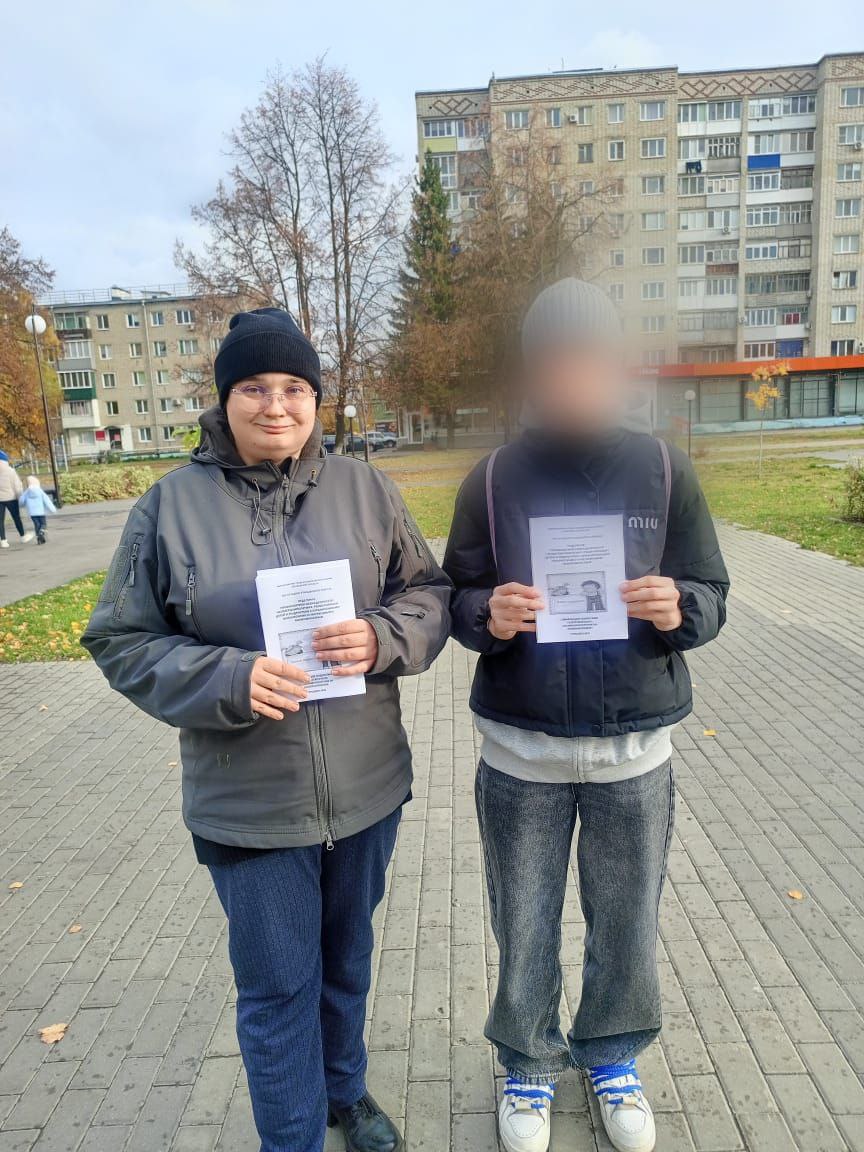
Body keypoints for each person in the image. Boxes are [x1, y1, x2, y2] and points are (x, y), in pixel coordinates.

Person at [82, 308, 451, 1152]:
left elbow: (429, 595)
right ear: (225, 399)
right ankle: (293, 1139)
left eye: (294, 388)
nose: (276, 405)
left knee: (346, 963)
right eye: (254, 387)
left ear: (317, 400)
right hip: (248, 805)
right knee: (278, 987)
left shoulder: (366, 489)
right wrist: (227, 678)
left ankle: (345, 1092)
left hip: (365, 789)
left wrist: (381, 637)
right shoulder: (169, 507)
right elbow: (120, 640)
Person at [443, 278, 729, 1152]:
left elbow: (712, 591)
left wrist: (679, 605)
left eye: (591, 362)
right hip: (520, 751)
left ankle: (612, 1054)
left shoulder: (664, 469)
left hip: (633, 750)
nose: (573, 379)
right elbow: (454, 596)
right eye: (555, 363)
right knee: (522, 921)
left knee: (626, 921)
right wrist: (488, 615)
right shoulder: (493, 477)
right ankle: (528, 1064)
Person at [0, 459, 33, 547]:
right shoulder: (11, 471)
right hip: (11, 498)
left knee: (0, 520)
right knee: (16, 518)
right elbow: (17, 486)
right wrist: (20, 497)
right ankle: (23, 536)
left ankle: (3, 540)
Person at [19, 475, 57, 544]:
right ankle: (41, 533)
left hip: (32, 513)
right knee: (43, 524)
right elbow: (47, 501)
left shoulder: (27, 492)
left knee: (37, 525)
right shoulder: (40, 491)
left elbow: (21, 501)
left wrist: (21, 505)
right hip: (41, 512)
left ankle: (39, 539)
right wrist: (53, 509)